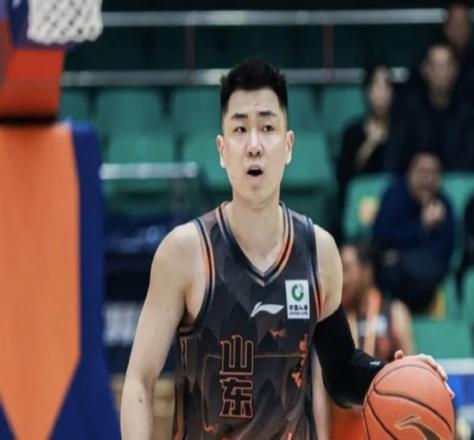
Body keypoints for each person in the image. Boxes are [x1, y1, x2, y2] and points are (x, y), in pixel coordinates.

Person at [120, 59, 451, 439]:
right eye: (240, 129)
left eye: (267, 127)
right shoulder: (185, 252)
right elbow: (139, 381)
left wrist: (399, 376)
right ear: (222, 150)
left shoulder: (318, 251)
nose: (254, 145)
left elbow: (342, 372)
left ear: (288, 145)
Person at [329, 242, 414, 440]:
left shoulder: (395, 314)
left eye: (347, 269)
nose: (342, 279)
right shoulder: (332, 319)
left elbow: (411, 380)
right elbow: (318, 393)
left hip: (386, 431)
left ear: (367, 271)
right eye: (338, 271)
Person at [373, 150, 455, 313]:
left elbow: (442, 252)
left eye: (433, 173)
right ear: (410, 173)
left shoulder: (443, 204)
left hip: (425, 278)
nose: (427, 180)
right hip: (392, 278)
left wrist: (400, 256)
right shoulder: (394, 196)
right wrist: (421, 227)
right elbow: (381, 234)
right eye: (422, 172)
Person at [337, 63, 406, 205]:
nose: (381, 93)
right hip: (361, 203)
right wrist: (370, 145)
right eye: (376, 86)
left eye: (386, 86)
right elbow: (344, 180)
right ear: (367, 91)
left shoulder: (404, 131)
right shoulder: (352, 132)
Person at [404, 42, 474, 171]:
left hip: (457, 181)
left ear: (455, 70)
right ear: (424, 70)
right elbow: (401, 159)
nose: (441, 72)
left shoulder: (468, 114)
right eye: (436, 66)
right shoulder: (409, 112)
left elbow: (471, 160)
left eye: (446, 66)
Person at [443, 1, 474, 109]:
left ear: (470, 28)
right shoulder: (431, 57)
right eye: (455, 23)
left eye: (463, 23)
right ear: (446, 27)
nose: (459, 29)